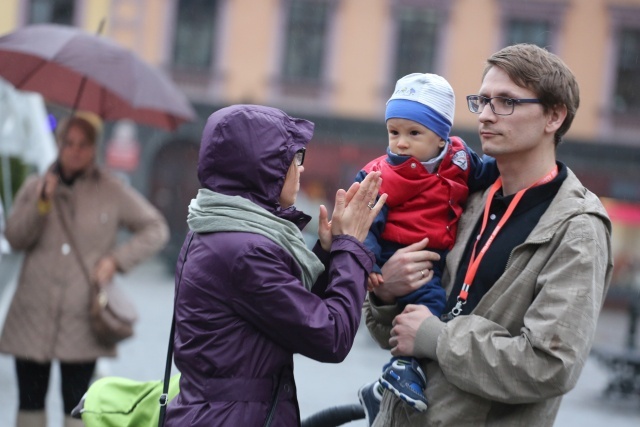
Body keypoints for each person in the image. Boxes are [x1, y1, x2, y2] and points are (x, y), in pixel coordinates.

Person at [363, 43, 613, 427]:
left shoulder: (576, 227)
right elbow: (394, 334)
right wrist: (385, 293)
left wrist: (437, 339)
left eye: (506, 102)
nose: (485, 115)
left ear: (554, 116)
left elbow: (551, 365)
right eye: (481, 100)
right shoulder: (462, 193)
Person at [164, 104, 387, 427]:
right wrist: (350, 246)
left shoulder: (218, 228)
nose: (301, 169)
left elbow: (285, 311)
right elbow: (330, 335)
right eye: (293, 158)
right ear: (261, 167)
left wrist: (328, 250)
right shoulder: (245, 250)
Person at [0, 112, 169, 427]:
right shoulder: (36, 186)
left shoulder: (111, 190)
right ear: (59, 144)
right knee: (29, 404)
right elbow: (14, 237)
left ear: (94, 148)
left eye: (84, 144)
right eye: (69, 143)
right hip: (32, 314)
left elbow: (155, 228)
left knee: (77, 407)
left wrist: (115, 261)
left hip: (82, 319)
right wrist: (41, 205)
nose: (75, 150)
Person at [354, 73, 498, 421]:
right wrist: (369, 262)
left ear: (440, 137)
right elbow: (368, 220)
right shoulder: (383, 173)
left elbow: (486, 172)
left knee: (434, 304)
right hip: (397, 250)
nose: (400, 143)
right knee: (430, 303)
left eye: (413, 133)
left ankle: (386, 384)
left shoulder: (460, 159)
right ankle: (403, 367)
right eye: (394, 132)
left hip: (436, 252)